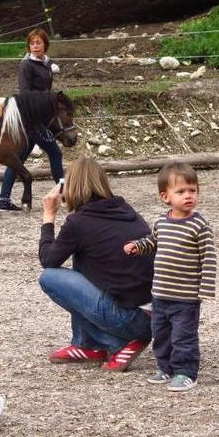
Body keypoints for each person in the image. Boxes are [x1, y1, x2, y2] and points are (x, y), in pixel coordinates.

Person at [37, 156, 154, 372]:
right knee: (84, 257)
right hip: (156, 316)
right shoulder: (125, 210)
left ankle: (116, 343)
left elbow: (48, 260)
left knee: (50, 278)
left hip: (131, 321)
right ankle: (87, 345)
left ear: (68, 187)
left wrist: (49, 215)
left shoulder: (78, 223)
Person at [124, 162, 216, 392]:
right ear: (165, 197)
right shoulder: (161, 223)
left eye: (192, 190)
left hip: (186, 297)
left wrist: (205, 288)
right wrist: (138, 246)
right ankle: (165, 367)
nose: (188, 196)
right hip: (160, 294)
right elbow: (152, 242)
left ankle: (186, 372)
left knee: (183, 336)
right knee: (161, 334)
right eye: (181, 191)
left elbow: (209, 258)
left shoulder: (199, 225)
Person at [0, 27, 64, 211]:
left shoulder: (44, 62)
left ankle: (3, 200)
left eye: (38, 43)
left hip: (40, 116)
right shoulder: (26, 65)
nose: (35, 46)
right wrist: (47, 99)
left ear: (45, 45)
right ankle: (63, 194)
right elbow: (26, 94)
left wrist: (50, 66)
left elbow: (46, 75)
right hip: (33, 118)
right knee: (55, 153)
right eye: (32, 43)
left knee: (18, 159)